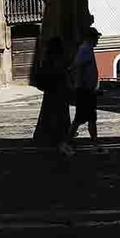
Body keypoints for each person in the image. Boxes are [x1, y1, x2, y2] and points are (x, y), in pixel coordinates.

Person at [30, 35, 72, 156]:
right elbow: (62, 76)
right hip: (59, 94)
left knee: (48, 116)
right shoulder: (60, 60)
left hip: (50, 94)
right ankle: (60, 140)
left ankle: (48, 138)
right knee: (61, 117)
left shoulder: (47, 59)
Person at [66, 26, 102, 154]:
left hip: (87, 90)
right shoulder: (85, 50)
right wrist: (83, 86)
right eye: (96, 37)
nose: (98, 40)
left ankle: (95, 143)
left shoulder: (87, 49)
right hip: (85, 91)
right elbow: (80, 69)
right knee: (79, 119)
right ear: (91, 38)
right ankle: (67, 142)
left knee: (90, 118)